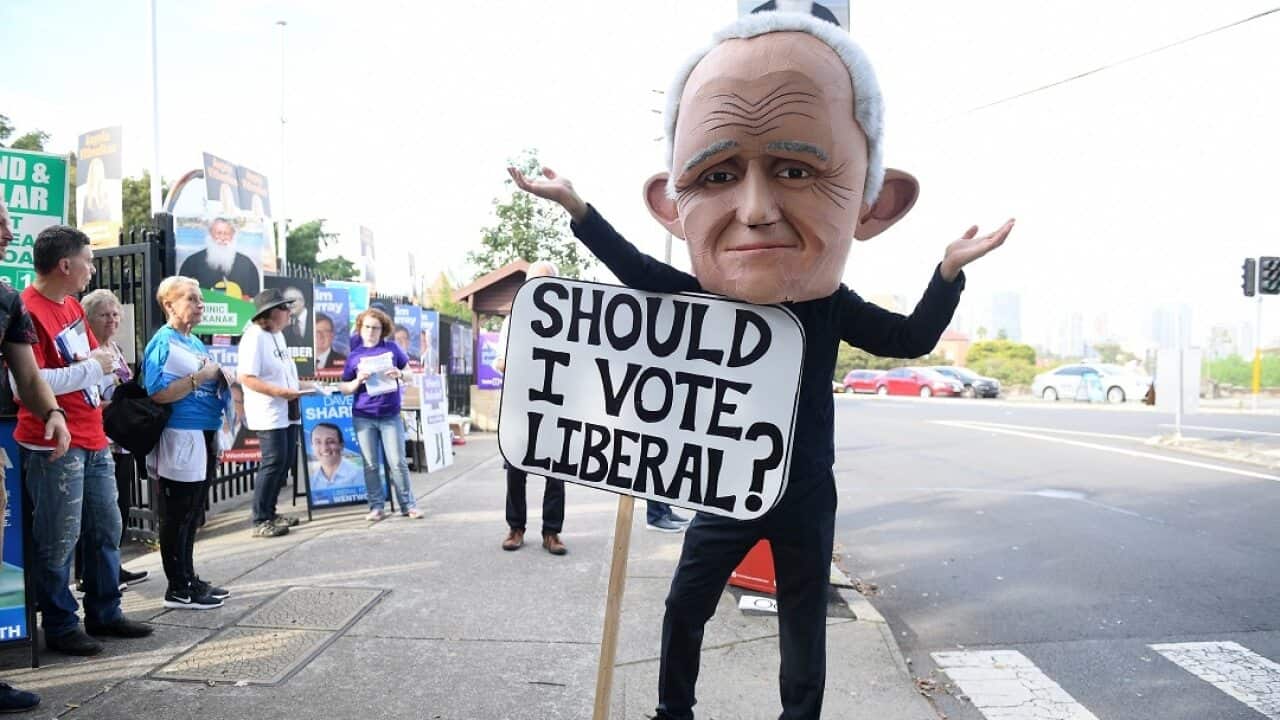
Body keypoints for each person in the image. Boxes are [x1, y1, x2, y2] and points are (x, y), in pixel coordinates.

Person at [509, 10, 1013, 718]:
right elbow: (639, 272)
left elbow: (909, 339)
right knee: (686, 602)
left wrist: (948, 272)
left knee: (803, 619)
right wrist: (577, 207)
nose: (755, 211)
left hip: (805, 488)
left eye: (793, 170)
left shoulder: (830, 303)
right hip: (727, 483)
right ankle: (673, 711)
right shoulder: (712, 299)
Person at [16, 225, 154, 657]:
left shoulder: (73, 306)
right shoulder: (26, 309)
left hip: (92, 435)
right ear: (65, 265)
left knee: (106, 527)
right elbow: (28, 383)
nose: (92, 269)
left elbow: (102, 360)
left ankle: (105, 611)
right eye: (88, 261)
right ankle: (60, 624)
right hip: (54, 442)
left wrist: (98, 369)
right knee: (59, 537)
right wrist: (91, 368)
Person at [0, 197, 69, 713]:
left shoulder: (7, 299)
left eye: (7, 220)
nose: (8, 231)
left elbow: (27, 374)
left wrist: (54, 412)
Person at [143, 276, 232, 610]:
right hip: (181, 433)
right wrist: (200, 377)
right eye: (192, 299)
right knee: (178, 513)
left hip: (204, 431)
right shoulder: (163, 341)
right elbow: (156, 392)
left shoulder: (193, 341)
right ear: (169, 304)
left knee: (193, 512)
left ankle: (189, 578)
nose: (200, 305)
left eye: (200, 299)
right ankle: (178, 588)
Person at [495, 260, 566, 555]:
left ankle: (552, 532)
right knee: (515, 467)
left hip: (557, 404)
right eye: (534, 281)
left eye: (546, 281)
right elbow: (500, 362)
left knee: (556, 470)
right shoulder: (514, 320)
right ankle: (516, 528)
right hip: (521, 403)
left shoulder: (569, 320)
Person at [80, 289, 149, 588]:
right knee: (96, 511)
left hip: (121, 437)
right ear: (88, 318)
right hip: (98, 438)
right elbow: (83, 398)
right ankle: (89, 574)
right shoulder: (87, 351)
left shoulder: (116, 349)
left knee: (119, 506)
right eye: (104, 315)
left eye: (115, 314)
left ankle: (113, 567)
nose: (111, 319)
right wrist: (116, 404)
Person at [238, 289, 312, 537]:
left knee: (285, 461)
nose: (289, 312)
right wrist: (278, 392)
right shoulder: (254, 337)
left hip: (287, 408)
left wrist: (303, 387)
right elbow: (246, 377)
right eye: (283, 308)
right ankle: (260, 519)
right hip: (269, 410)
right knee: (273, 462)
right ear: (269, 314)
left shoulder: (278, 335)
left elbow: (284, 372)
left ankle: (271, 512)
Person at [339, 307, 422, 520]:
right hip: (363, 416)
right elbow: (344, 387)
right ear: (360, 328)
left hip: (390, 415)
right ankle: (376, 507)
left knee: (398, 462)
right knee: (370, 465)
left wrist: (400, 374)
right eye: (367, 327)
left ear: (382, 330)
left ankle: (408, 505)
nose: (371, 331)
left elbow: (410, 375)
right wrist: (358, 381)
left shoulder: (392, 349)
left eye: (376, 328)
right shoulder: (355, 356)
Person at [178, 218, 261, 300]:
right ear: (210, 234)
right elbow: (181, 293)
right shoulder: (192, 262)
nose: (222, 238)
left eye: (226, 233)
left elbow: (254, 297)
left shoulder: (246, 264)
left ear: (233, 235)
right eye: (218, 233)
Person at [307, 423, 363, 490]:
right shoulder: (311, 482)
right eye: (318, 442)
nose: (324, 448)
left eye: (330, 441)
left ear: (341, 446)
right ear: (312, 447)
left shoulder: (360, 476)